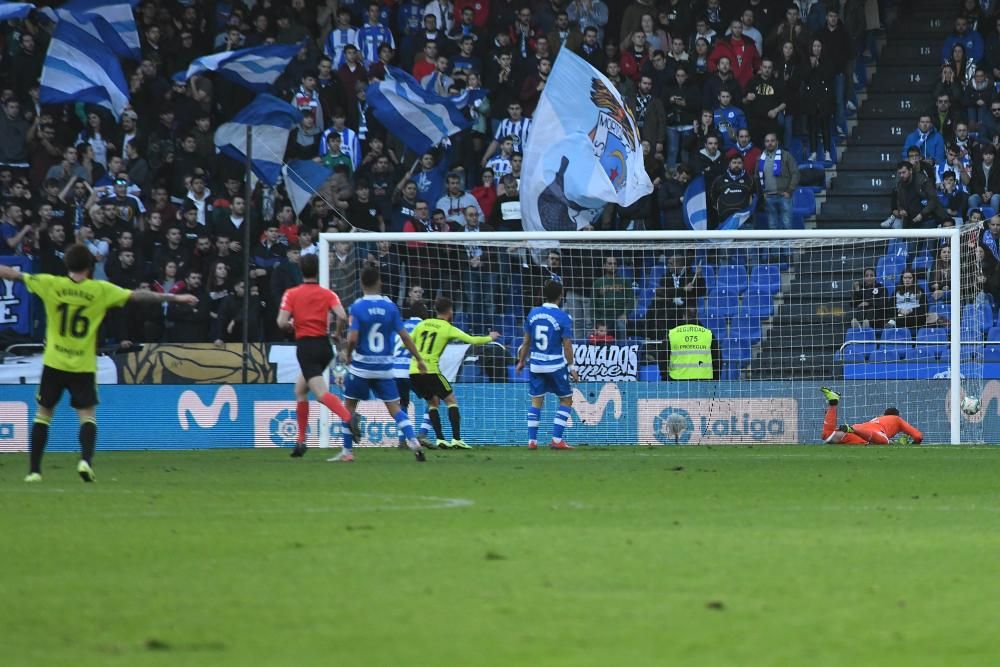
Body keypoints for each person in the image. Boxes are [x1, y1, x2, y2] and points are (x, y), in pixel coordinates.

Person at [0, 245, 198, 483]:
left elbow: (14, 274)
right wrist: (174, 296)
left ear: (68, 265)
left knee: (43, 415)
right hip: (83, 365)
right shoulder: (99, 290)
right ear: (90, 267)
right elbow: (138, 296)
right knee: (87, 416)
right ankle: (85, 460)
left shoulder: (50, 283)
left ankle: (34, 471)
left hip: (54, 362)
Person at [339, 265, 429, 462]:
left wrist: (349, 353)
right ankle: (414, 441)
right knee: (395, 408)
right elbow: (405, 336)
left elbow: (353, 337)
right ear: (380, 282)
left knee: (349, 407)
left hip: (362, 367)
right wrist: (419, 359)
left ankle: (347, 452)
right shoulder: (390, 307)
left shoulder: (358, 306)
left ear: (361, 283)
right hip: (385, 367)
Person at [275, 253, 360, 458]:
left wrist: (291, 325)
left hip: (306, 347)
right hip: (324, 346)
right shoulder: (327, 293)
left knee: (321, 394)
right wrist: (338, 333)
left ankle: (349, 417)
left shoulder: (292, 293)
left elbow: (281, 322)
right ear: (317, 270)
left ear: (301, 270)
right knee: (300, 390)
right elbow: (341, 315)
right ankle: (301, 441)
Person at [409, 296, 499, 449]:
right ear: (450, 312)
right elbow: (472, 340)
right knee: (451, 400)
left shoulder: (422, 325)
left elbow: (407, 343)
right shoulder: (447, 328)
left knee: (433, 402)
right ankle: (456, 439)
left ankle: (440, 439)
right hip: (430, 370)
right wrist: (489, 337)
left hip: (413, 372)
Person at [515, 280, 578, 449]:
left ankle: (532, 441)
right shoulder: (563, 317)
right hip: (555, 365)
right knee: (566, 400)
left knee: (536, 402)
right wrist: (572, 367)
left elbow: (526, 342)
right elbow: (567, 345)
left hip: (535, 364)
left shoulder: (533, 313)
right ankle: (557, 440)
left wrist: (521, 361)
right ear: (561, 295)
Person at [819, 388, 923, 445]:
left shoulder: (876, 419)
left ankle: (833, 404)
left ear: (883, 415)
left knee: (828, 436)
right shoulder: (897, 419)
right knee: (884, 441)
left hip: (860, 431)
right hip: (869, 434)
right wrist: (911, 444)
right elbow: (918, 436)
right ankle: (852, 429)